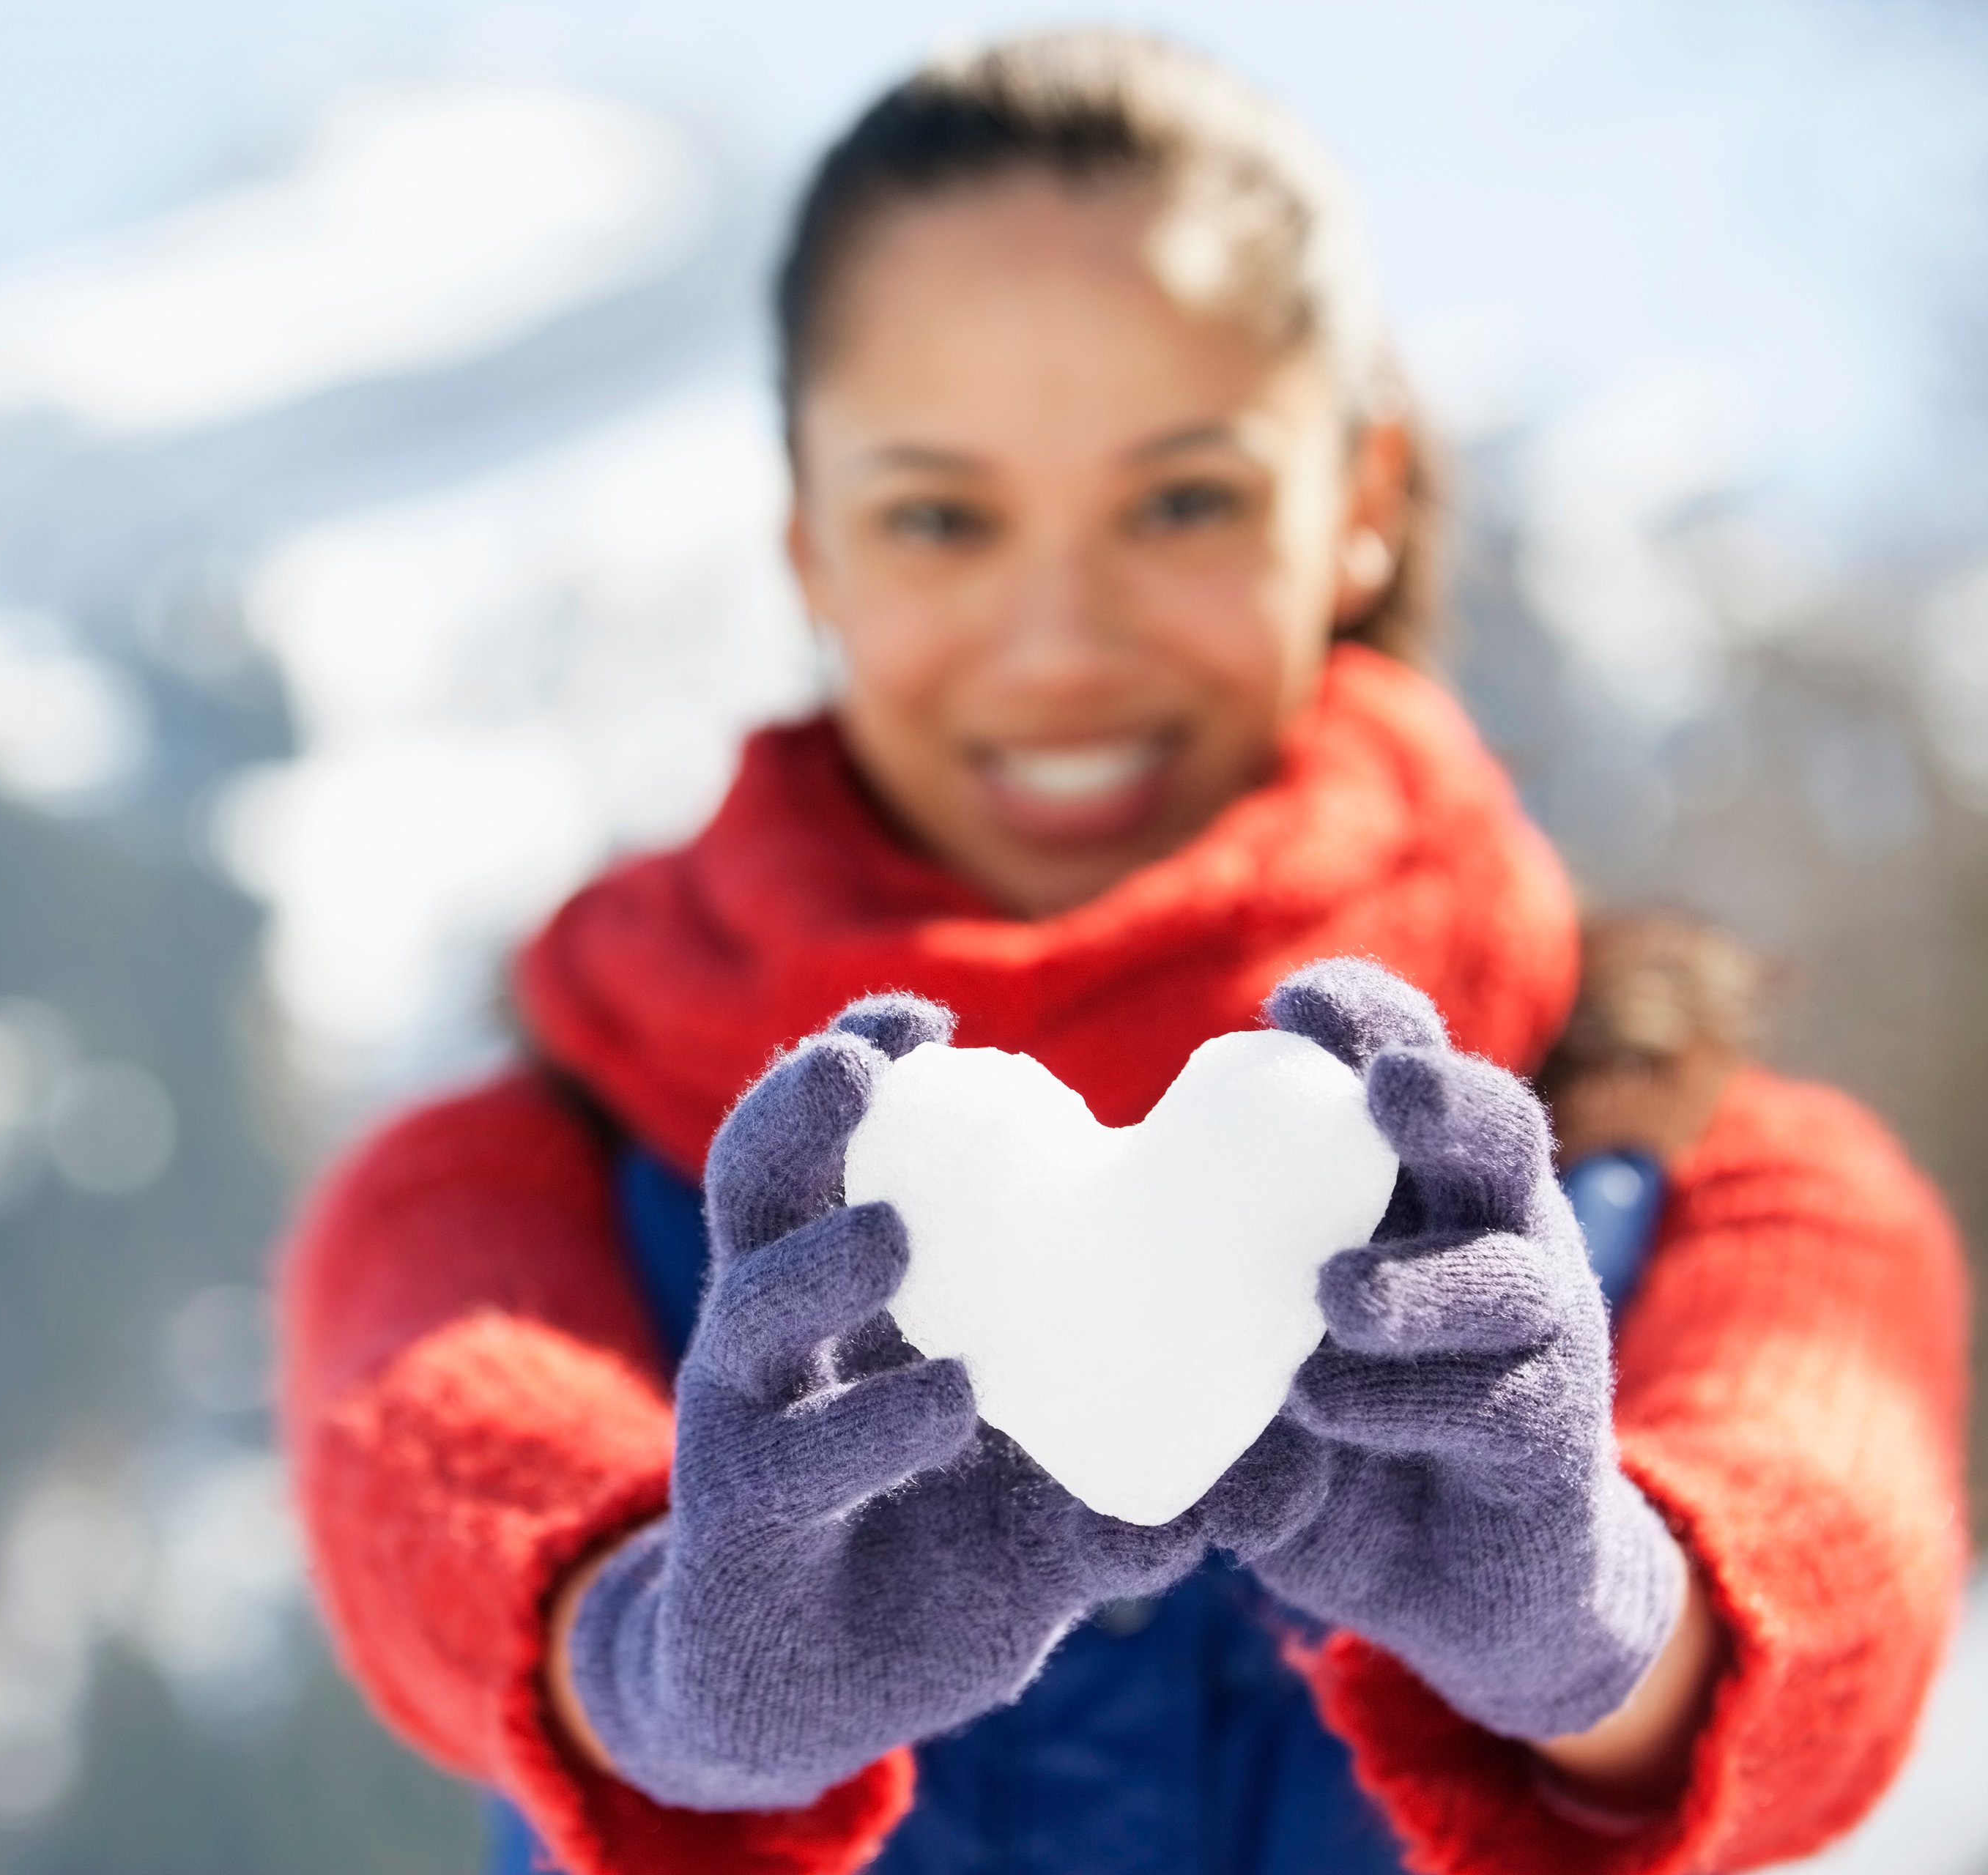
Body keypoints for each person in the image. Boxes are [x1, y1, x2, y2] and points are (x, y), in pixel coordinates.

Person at [275, 30, 1970, 1875]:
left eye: (1184, 500)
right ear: (809, 548)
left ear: (1362, 500)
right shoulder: (498, 1190)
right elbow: (436, 1475)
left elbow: (1842, 1548)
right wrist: (660, 1659)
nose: (1060, 637)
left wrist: (1604, 1609)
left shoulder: (1736, 1183)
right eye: (940, 515)